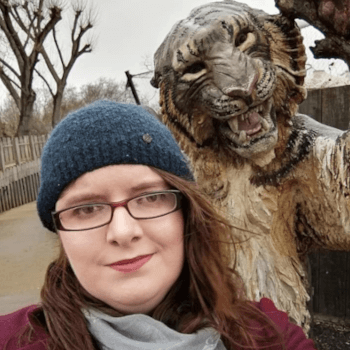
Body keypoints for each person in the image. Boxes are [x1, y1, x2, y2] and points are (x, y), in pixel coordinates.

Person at [0, 101, 316, 350]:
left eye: (150, 198)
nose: (123, 232)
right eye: (87, 209)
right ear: (60, 235)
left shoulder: (271, 336)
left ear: (186, 212)